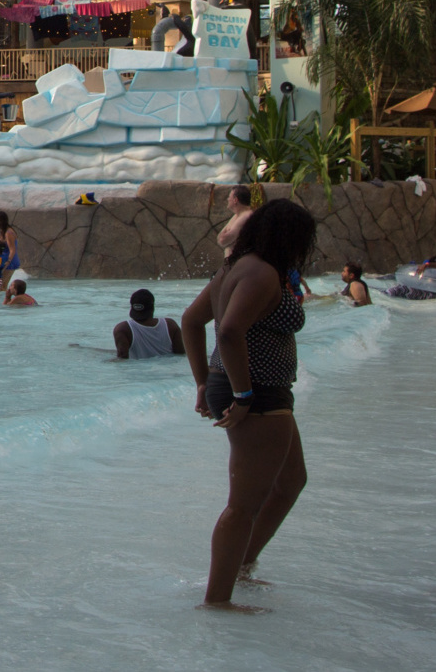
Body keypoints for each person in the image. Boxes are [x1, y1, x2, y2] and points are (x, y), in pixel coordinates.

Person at [181, 198, 316, 611]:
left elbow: (191, 321)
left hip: (249, 389)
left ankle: (241, 565)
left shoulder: (234, 268)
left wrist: (205, 383)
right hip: (256, 394)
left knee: (291, 481)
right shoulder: (261, 273)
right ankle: (218, 599)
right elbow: (230, 332)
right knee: (243, 504)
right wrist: (239, 394)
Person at [112, 289, 177, 358]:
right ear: (153, 308)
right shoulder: (170, 325)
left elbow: (122, 359)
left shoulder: (122, 329)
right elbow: (182, 354)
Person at [0, 210, 24, 293]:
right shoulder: (3, 232)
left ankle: (3, 304)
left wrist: (8, 262)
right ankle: (4, 303)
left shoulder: (8, 233)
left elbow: (12, 249)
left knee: (0, 287)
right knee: (2, 287)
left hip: (9, 262)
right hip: (6, 261)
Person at [215, 185, 256, 251]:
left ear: (235, 200)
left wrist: (224, 236)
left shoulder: (246, 216)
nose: (228, 199)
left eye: (229, 197)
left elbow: (223, 240)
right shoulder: (237, 215)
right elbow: (219, 237)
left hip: (241, 259)